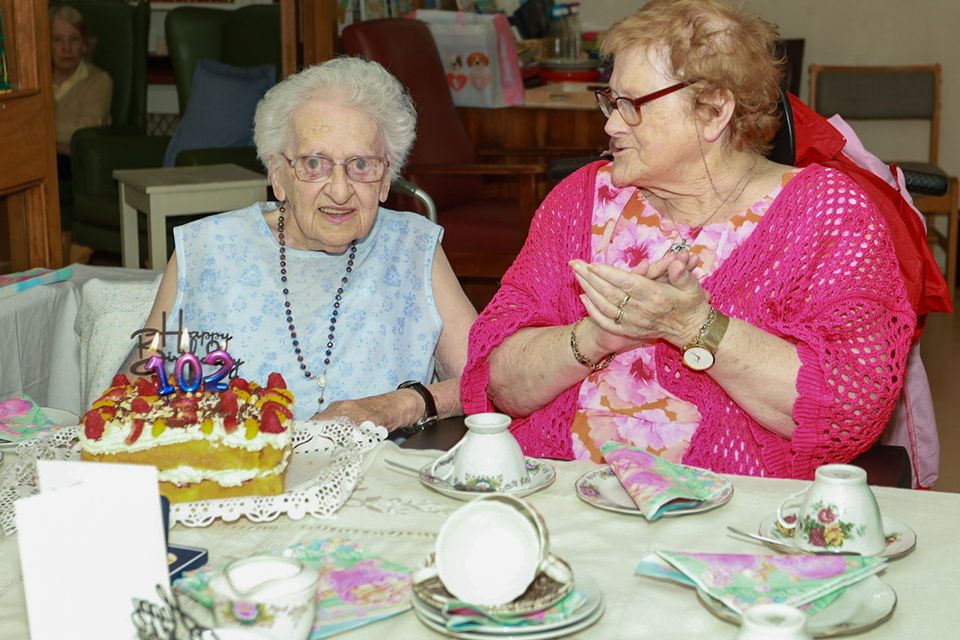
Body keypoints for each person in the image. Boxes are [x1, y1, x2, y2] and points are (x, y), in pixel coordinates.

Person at [460, 0, 915, 479]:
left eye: (632, 105)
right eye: (610, 101)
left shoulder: (828, 215)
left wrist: (697, 326)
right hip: (562, 487)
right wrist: (596, 336)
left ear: (713, 110)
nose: (612, 124)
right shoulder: (578, 201)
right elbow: (497, 383)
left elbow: (848, 414)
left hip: (730, 511)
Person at [140, 57, 477, 434]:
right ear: (278, 175)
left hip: (381, 480)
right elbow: (137, 395)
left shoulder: (415, 249)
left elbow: (487, 380)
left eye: (361, 165)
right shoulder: (205, 250)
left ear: (386, 179)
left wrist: (398, 405)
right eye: (315, 163)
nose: (339, 189)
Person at [50, 5, 111, 263]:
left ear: (84, 45)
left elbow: (85, 128)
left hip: (78, 164)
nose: (66, 48)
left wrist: (39, 132)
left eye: (73, 39)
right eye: (57, 40)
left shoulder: (98, 81)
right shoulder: (36, 81)